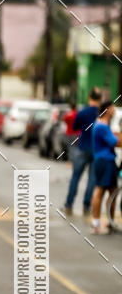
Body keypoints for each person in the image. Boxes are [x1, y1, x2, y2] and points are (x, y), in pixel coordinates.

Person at [63, 87, 101, 215]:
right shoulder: (101, 113)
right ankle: (86, 205)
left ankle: (69, 203)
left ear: (90, 97)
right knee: (92, 179)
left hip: (83, 147)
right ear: (100, 99)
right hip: (96, 149)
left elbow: (75, 127)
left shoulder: (83, 112)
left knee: (76, 176)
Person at [89, 100, 121, 234]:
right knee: (100, 190)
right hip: (105, 161)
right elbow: (115, 142)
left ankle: (110, 221)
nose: (114, 112)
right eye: (113, 109)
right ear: (107, 110)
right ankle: (96, 223)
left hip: (105, 160)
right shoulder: (101, 126)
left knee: (112, 191)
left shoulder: (102, 125)